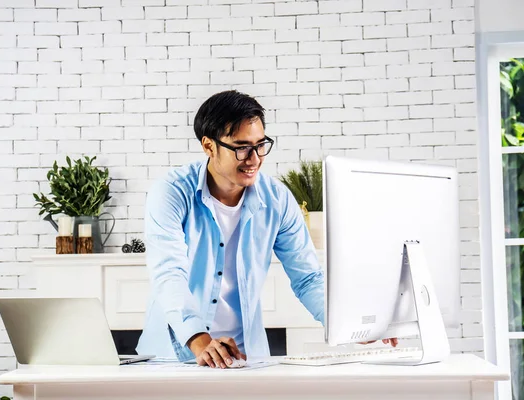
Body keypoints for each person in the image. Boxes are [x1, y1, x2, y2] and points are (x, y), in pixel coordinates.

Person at [136, 90, 397, 368]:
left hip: (244, 359)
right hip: (172, 358)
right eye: (241, 147)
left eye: (260, 145)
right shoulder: (172, 192)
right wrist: (200, 341)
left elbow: (308, 278)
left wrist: (352, 326)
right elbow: (169, 274)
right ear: (209, 146)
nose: (254, 159)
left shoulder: (277, 199)